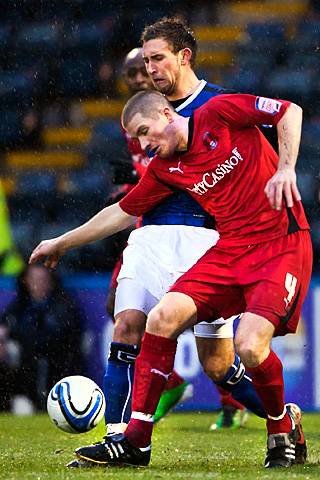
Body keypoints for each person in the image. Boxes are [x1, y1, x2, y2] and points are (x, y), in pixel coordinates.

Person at [29, 88, 311, 468]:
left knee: (247, 347)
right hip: (229, 250)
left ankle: (281, 429)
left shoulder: (219, 112)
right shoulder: (166, 169)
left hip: (280, 244)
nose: (144, 145)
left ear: (166, 113)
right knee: (161, 318)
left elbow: (289, 111)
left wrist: (285, 168)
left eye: (146, 132)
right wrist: (62, 242)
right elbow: (121, 212)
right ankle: (136, 442)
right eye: (138, 139)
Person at [101, 21, 265, 444]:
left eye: (154, 62)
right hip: (151, 234)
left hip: (206, 240)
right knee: (126, 325)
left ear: (182, 58)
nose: (146, 74)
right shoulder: (139, 123)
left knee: (217, 363)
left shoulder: (217, 104)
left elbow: (253, 158)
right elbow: (130, 192)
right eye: (138, 70)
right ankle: (118, 435)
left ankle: (279, 414)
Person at [0, 264, 85, 410]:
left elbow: (63, 340)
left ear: (51, 281)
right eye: (34, 279)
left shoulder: (64, 306)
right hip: (25, 376)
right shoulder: (18, 307)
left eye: (43, 279)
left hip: (58, 374)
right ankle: (14, 399)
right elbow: (5, 329)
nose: (39, 284)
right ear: (25, 281)